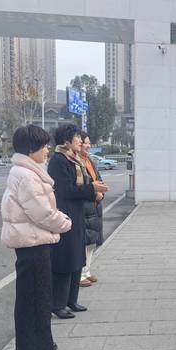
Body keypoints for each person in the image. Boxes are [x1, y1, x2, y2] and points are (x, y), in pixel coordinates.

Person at [1, 125, 72, 350]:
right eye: (43, 146)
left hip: (32, 242)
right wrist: (65, 223)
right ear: (32, 149)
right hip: (33, 244)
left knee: (34, 299)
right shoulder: (27, 176)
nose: (47, 150)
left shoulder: (24, 172)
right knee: (35, 300)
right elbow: (42, 213)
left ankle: (38, 346)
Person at [48, 124, 108, 319]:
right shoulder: (58, 161)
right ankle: (58, 304)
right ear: (67, 140)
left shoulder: (75, 159)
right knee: (65, 260)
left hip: (78, 212)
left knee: (77, 258)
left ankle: (71, 300)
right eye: (77, 137)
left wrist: (94, 189)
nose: (81, 141)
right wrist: (92, 189)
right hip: (65, 213)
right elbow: (65, 190)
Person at [78, 132, 104, 288]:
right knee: (84, 242)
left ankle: (87, 271)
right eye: (85, 143)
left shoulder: (90, 160)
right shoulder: (76, 162)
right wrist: (95, 193)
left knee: (92, 242)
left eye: (89, 143)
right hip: (86, 207)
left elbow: (98, 180)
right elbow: (81, 187)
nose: (88, 146)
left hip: (94, 206)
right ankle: (80, 274)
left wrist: (101, 192)